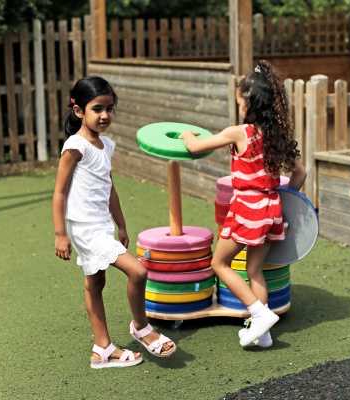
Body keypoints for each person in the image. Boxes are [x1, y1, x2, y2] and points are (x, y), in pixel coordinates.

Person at [179, 60, 307, 348]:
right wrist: (288, 200)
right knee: (254, 271)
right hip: (271, 208)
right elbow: (301, 172)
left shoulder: (241, 132)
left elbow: (195, 147)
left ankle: (260, 315)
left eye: (239, 103)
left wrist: (186, 133)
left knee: (219, 262)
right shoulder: (277, 135)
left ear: (249, 103)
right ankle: (263, 333)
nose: (239, 109)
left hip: (247, 209)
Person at [53, 76, 176, 368]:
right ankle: (142, 328)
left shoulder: (105, 145)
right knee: (138, 271)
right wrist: (60, 233)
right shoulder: (75, 146)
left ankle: (103, 349)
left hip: (102, 225)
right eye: (97, 108)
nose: (105, 115)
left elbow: (110, 188)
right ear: (79, 111)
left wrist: (120, 224)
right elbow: (59, 191)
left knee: (95, 284)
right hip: (84, 228)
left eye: (109, 108)